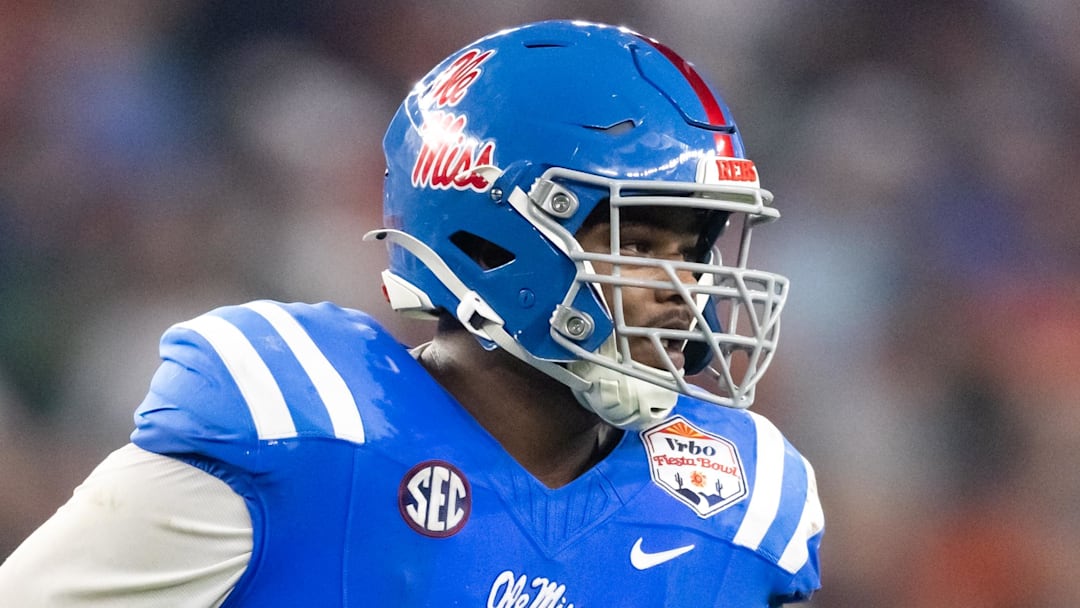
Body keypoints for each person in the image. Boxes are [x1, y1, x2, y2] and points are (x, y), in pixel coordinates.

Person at [0, 20, 822, 606]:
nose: (683, 288)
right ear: (494, 239)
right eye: (637, 242)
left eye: (695, 249)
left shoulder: (742, 505)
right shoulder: (301, 429)